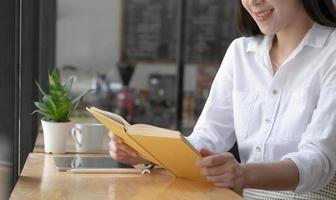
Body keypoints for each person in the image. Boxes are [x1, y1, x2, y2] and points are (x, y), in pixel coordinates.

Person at [109, 0, 336, 198]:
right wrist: (148, 153)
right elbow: (208, 137)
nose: (253, 1)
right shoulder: (240, 53)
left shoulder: (331, 52)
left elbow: (318, 160)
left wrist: (244, 174)